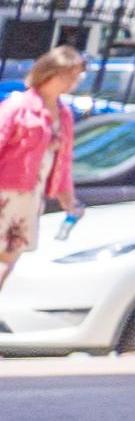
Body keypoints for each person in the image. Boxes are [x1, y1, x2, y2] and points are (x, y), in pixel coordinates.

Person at [0, 48, 83, 292]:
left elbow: (64, 160)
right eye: (66, 76)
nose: (71, 82)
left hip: (30, 195)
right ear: (47, 73)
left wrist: (68, 199)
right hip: (5, 191)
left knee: (10, 257)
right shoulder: (18, 106)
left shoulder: (64, 114)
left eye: (75, 76)